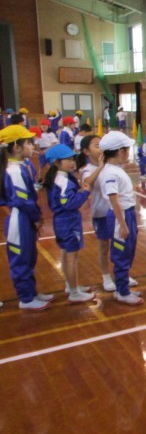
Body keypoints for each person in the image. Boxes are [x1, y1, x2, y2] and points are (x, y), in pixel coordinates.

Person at [0, 125, 54, 311]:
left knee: (29, 257)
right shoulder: (14, 171)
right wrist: (36, 217)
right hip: (20, 218)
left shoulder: (22, 166)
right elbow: (23, 200)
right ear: (16, 147)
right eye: (29, 143)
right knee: (21, 259)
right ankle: (26, 298)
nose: (33, 146)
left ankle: (31, 292)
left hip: (26, 217)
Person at [78, 134, 139, 293]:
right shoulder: (91, 169)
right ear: (86, 151)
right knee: (106, 247)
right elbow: (87, 183)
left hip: (118, 213)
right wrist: (100, 166)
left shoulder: (114, 167)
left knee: (123, 247)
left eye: (101, 145)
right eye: (96, 146)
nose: (100, 148)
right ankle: (107, 277)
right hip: (103, 213)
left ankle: (123, 276)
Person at [44, 144, 95, 303]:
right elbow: (69, 203)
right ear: (56, 163)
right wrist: (85, 192)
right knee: (72, 256)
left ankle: (71, 286)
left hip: (62, 220)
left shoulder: (59, 178)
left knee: (66, 253)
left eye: (73, 159)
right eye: (68, 160)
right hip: (68, 221)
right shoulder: (62, 180)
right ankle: (74, 292)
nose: (73, 162)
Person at [99, 131, 144, 305]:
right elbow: (114, 200)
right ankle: (122, 292)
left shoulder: (116, 170)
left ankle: (123, 287)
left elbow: (120, 193)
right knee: (121, 254)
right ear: (120, 151)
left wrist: (132, 189)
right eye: (127, 150)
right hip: (121, 216)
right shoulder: (110, 173)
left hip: (127, 214)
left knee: (128, 251)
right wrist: (123, 225)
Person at [36, 118, 58, 184]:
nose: (43, 127)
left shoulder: (51, 134)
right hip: (42, 151)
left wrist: (46, 150)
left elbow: (54, 143)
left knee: (52, 166)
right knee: (41, 166)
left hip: (50, 151)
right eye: (42, 126)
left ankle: (52, 179)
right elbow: (37, 143)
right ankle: (40, 179)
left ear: (48, 126)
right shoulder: (39, 134)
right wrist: (39, 150)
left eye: (45, 126)